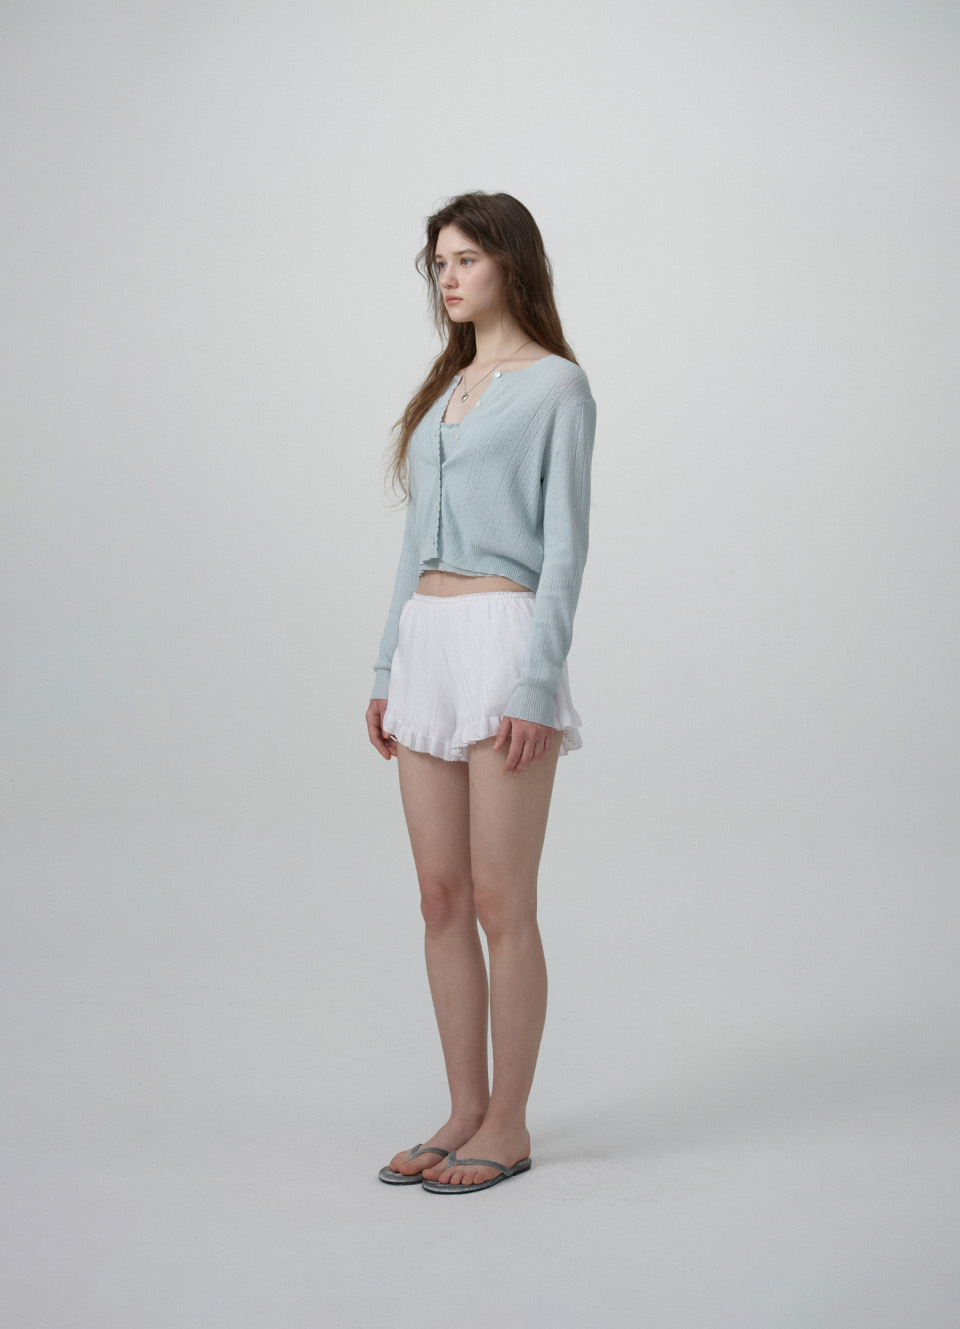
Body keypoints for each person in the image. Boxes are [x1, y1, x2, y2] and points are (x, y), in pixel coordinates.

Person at [366, 191, 597, 1194]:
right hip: (427, 637)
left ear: (512, 263)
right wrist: (387, 669)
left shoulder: (557, 388)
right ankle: (463, 1107)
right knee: (440, 896)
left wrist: (537, 683)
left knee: (504, 899)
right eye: (440, 263)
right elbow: (411, 548)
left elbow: (566, 549)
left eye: (466, 258)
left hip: (504, 639)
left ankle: (510, 1122)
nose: (449, 277)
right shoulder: (446, 388)